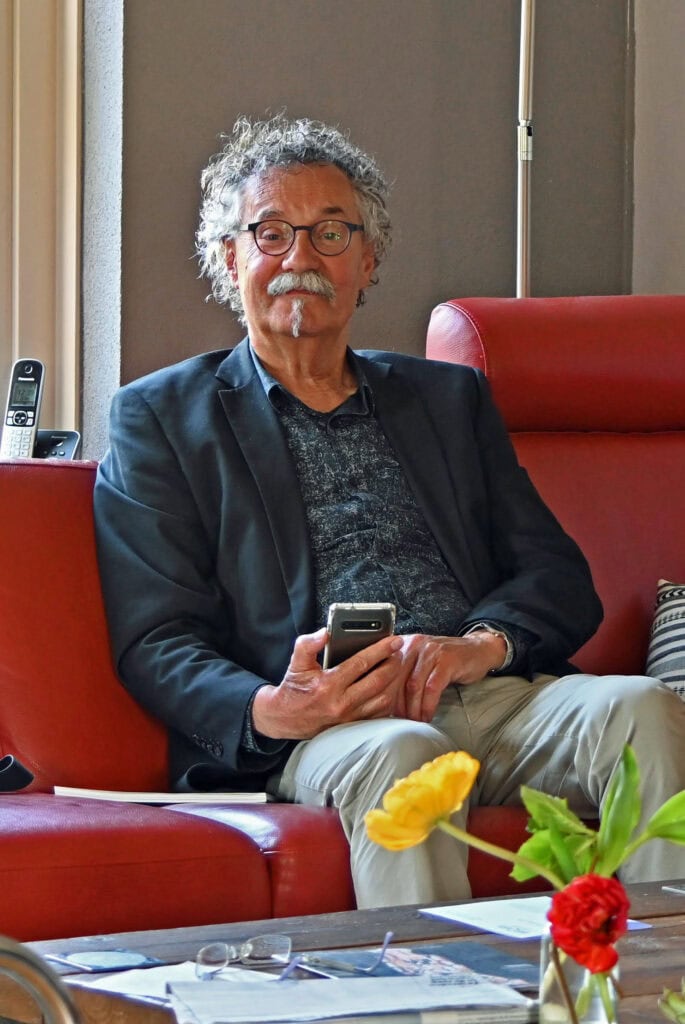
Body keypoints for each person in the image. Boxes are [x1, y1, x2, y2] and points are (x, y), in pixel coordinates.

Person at [94, 113, 685, 908]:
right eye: (271, 233)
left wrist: (478, 646)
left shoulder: (446, 399)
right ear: (229, 257)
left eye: (331, 233)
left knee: (643, 706)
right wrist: (273, 709)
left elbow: (555, 574)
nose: (300, 258)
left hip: (495, 699)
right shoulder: (161, 417)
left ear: (367, 260)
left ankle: (657, 976)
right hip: (330, 725)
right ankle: (428, 981)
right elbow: (156, 638)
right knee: (405, 754)